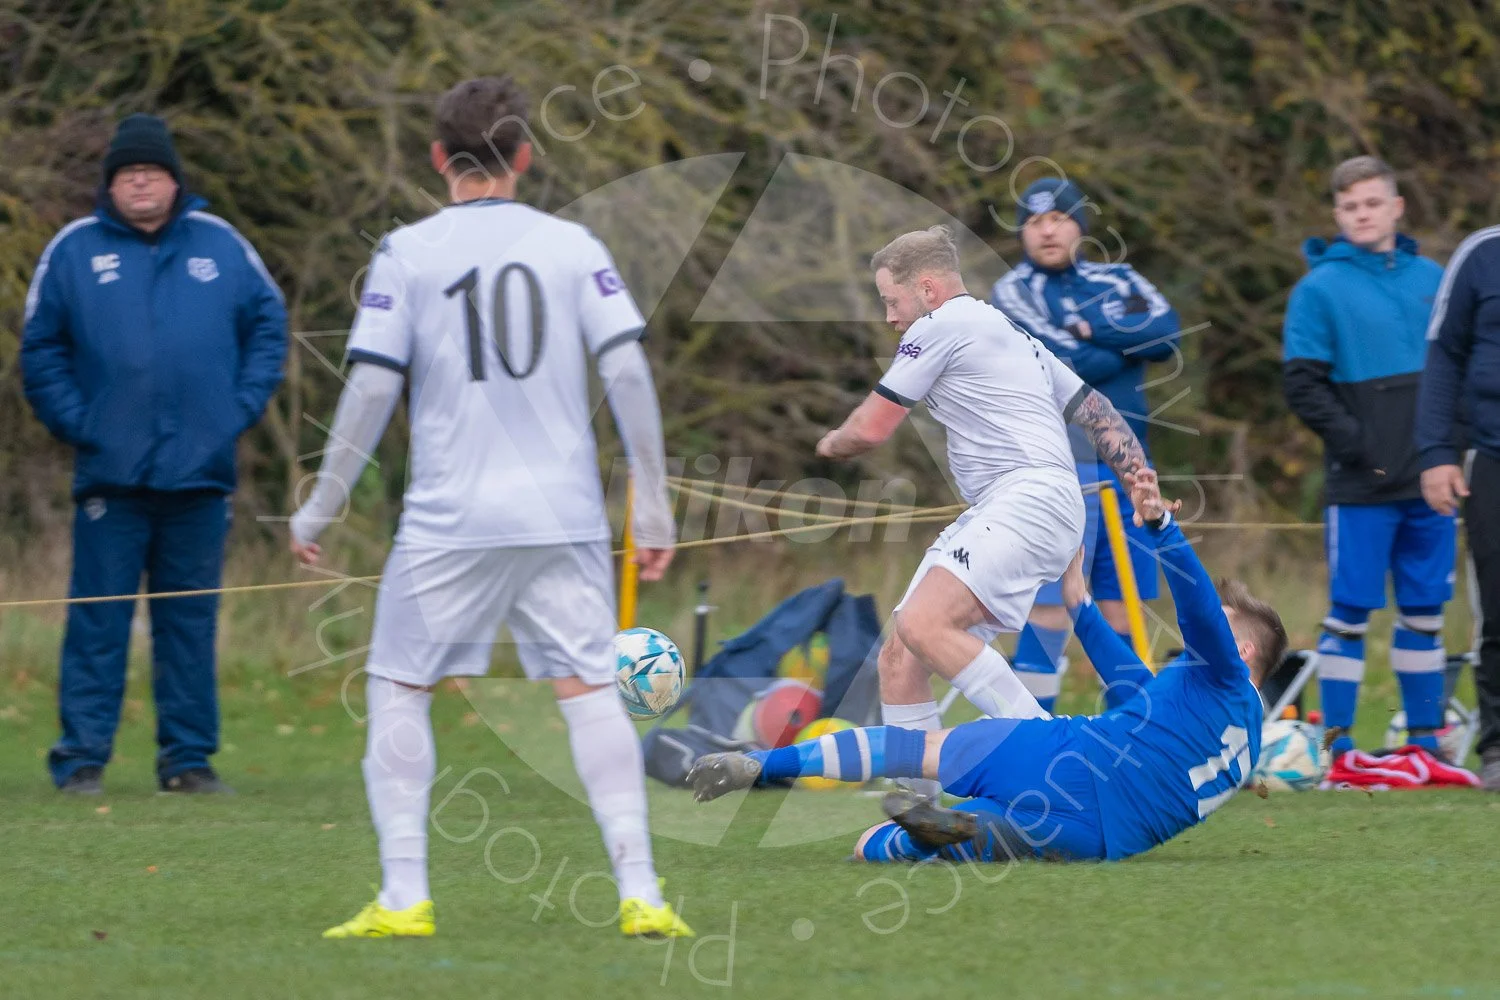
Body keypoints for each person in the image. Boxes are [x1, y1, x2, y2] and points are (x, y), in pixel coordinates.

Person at [287, 76, 691, 940]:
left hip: (450, 516)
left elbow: (367, 387)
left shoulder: (406, 251)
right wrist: (651, 507)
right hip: (564, 514)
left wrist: (319, 505)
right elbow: (627, 372)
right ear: (523, 157)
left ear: (439, 158)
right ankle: (643, 893)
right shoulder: (573, 244)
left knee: (399, 685)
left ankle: (405, 899)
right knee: (589, 693)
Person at [689, 470, 1288, 864]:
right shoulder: (1238, 736)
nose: (1197, 644)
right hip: (1096, 840)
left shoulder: (1223, 674)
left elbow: (1198, 608)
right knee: (878, 845)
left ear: (1242, 654)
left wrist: (1161, 527)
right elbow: (1132, 685)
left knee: (913, 749)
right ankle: (963, 832)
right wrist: (1079, 605)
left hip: (1068, 760)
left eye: (1222, 631)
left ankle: (758, 763)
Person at [813, 224, 1150, 800]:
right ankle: (913, 809)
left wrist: (828, 444)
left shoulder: (942, 325)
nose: (891, 318)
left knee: (925, 624)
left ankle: (1058, 760)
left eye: (892, 302)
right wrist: (1141, 478)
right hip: (1025, 503)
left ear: (927, 289)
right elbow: (1096, 409)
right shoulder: (1007, 331)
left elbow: (870, 429)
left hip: (1029, 498)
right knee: (902, 649)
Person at [21, 113, 287, 796]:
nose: (141, 183)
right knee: (99, 622)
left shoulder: (222, 246)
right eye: (128, 174)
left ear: (175, 181)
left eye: (153, 172)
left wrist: (235, 409)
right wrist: (82, 423)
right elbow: (41, 348)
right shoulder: (74, 250)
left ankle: (188, 761)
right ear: (111, 185)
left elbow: (269, 325)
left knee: (188, 625)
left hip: (199, 477)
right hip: (111, 475)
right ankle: (81, 760)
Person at [989, 178, 1182, 712]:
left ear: (1080, 225)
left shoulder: (1118, 277)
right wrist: (1120, 345)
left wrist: (1085, 324)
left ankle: (1129, 747)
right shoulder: (1012, 291)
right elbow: (1069, 366)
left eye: (1059, 218)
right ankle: (1031, 744)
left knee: (1123, 613)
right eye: (1033, 221)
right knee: (1049, 613)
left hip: (1126, 473)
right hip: (1053, 472)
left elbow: (1166, 334)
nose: (1047, 229)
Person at [1282, 156, 1453, 757]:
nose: (1362, 214)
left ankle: (1427, 742)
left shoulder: (1434, 276)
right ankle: (1341, 745)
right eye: (1350, 206)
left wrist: (1447, 449)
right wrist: (1363, 449)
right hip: (1362, 483)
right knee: (1350, 613)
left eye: (1372, 203)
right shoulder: (1319, 289)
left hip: (1434, 478)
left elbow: (1456, 369)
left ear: (1396, 207)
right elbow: (1302, 385)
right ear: (1337, 214)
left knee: (1426, 612)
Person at [1415, 224, 1500, 790]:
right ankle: (1497, 747)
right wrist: (1437, 452)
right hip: (1490, 456)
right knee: (1496, 607)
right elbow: (1444, 356)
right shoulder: (1480, 253)